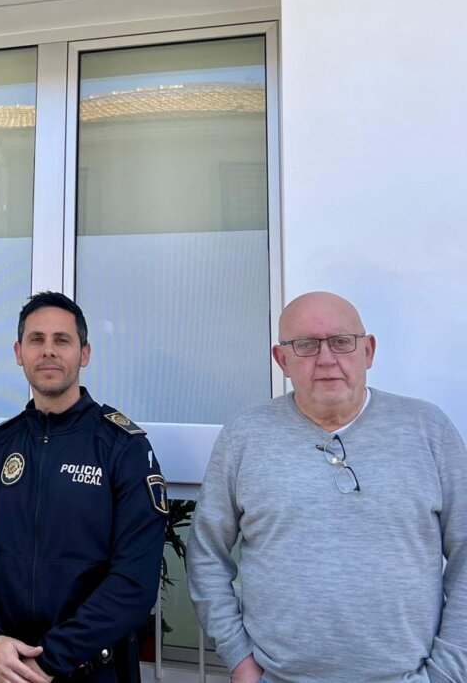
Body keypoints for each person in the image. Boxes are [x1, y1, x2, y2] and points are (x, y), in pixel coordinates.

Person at [188, 291, 467, 683]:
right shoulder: (245, 436)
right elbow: (206, 553)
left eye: (341, 342)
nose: (326, 358)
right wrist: (240, 660)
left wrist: (449, 671)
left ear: (368, 351)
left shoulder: (428, 430)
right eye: (305, 345)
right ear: (281, 360)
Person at [0, 292, 168, 683]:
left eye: (62, 340)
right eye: (36, 340)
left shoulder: (124, 448)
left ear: (84, 353)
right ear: (19, 352)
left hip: (88, 669)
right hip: (2, 668)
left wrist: (50, 658)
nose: (48, 351)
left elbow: (134, 582)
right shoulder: (1, 445)